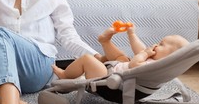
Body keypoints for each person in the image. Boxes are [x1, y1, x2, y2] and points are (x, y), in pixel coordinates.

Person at [52, 25, 189, 80]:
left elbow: (135, 64)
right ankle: (105, 42)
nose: (156, 45)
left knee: (88, 59)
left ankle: (65, 75)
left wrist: (145, 54)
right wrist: (132, 34)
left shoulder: (154, 67)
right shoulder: (155, 61)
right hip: (118, 68)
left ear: (170, 56)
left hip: (108, 78)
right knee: (122, 57)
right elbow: (139, 51)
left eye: (161, 45)